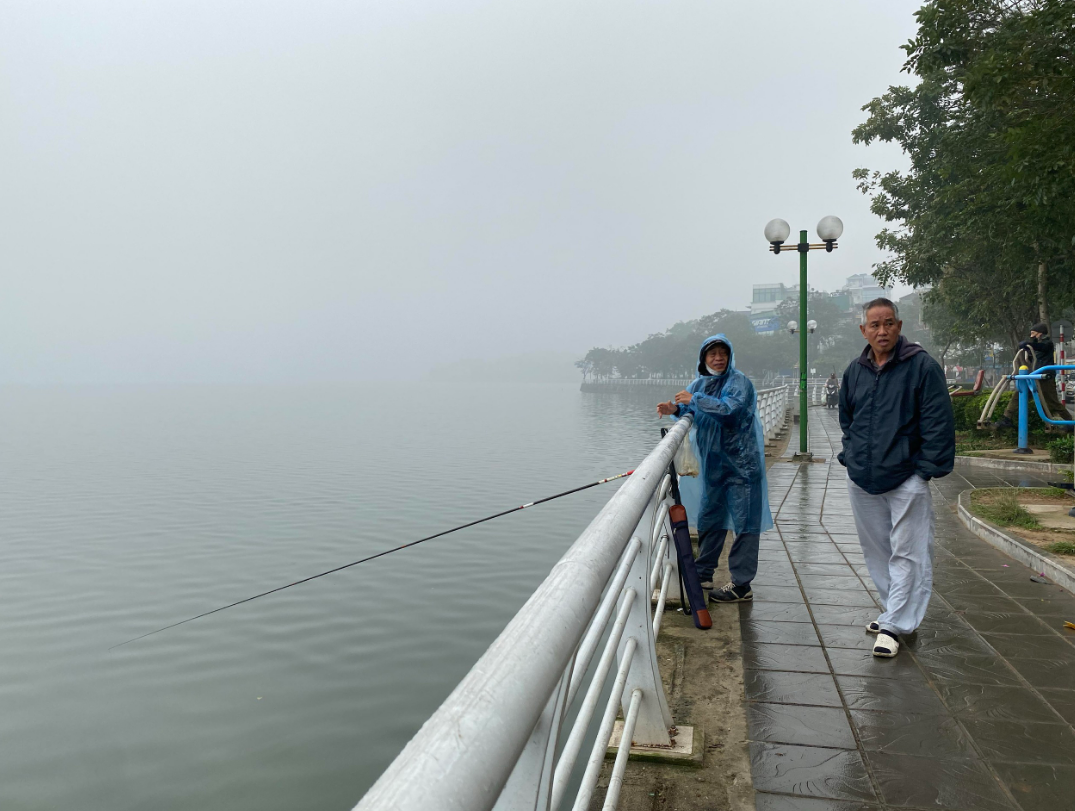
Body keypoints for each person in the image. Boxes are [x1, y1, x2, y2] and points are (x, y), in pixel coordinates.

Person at [839, 298, 955, 658]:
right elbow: (848, 418)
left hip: (906, 477)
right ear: (864, 330)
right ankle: (893, 609)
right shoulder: (855, 370)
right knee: (877, 550)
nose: (882, 330)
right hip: (863, 477)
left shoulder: (921, 366)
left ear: (899, 326)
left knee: (909, 552)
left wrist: (924, 471)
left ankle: (897, 624)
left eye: (888, 323)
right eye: (874, 325)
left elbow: (939, 423)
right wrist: (851, 456)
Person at [657, 335, 772, 602]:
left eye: (723, 353)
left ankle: (742, 584)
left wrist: (693, 399)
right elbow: (691, 408)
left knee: (744, 524)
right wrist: (675, 408)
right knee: (711, 518)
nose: (718, 358)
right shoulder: (701, 383)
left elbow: (730, 411)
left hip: (742, 465)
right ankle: (703, 572)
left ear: (730, 356)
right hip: (714, 465)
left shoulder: (738, 382)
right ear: (703, 359)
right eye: (712, 354)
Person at [992, 322, 1072, 430]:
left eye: (1033, 333)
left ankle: (1070, 423)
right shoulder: (1036, 348)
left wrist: (1029, 344)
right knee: (1019, 394)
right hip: (1034, 377)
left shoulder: (1047, 344)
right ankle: (1007, 418)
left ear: (1040, 333)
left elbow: (1041, 347)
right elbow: (1031, 357)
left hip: (1045, 378)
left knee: (1052, 402)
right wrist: (1027, 348)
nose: (1031, 336)